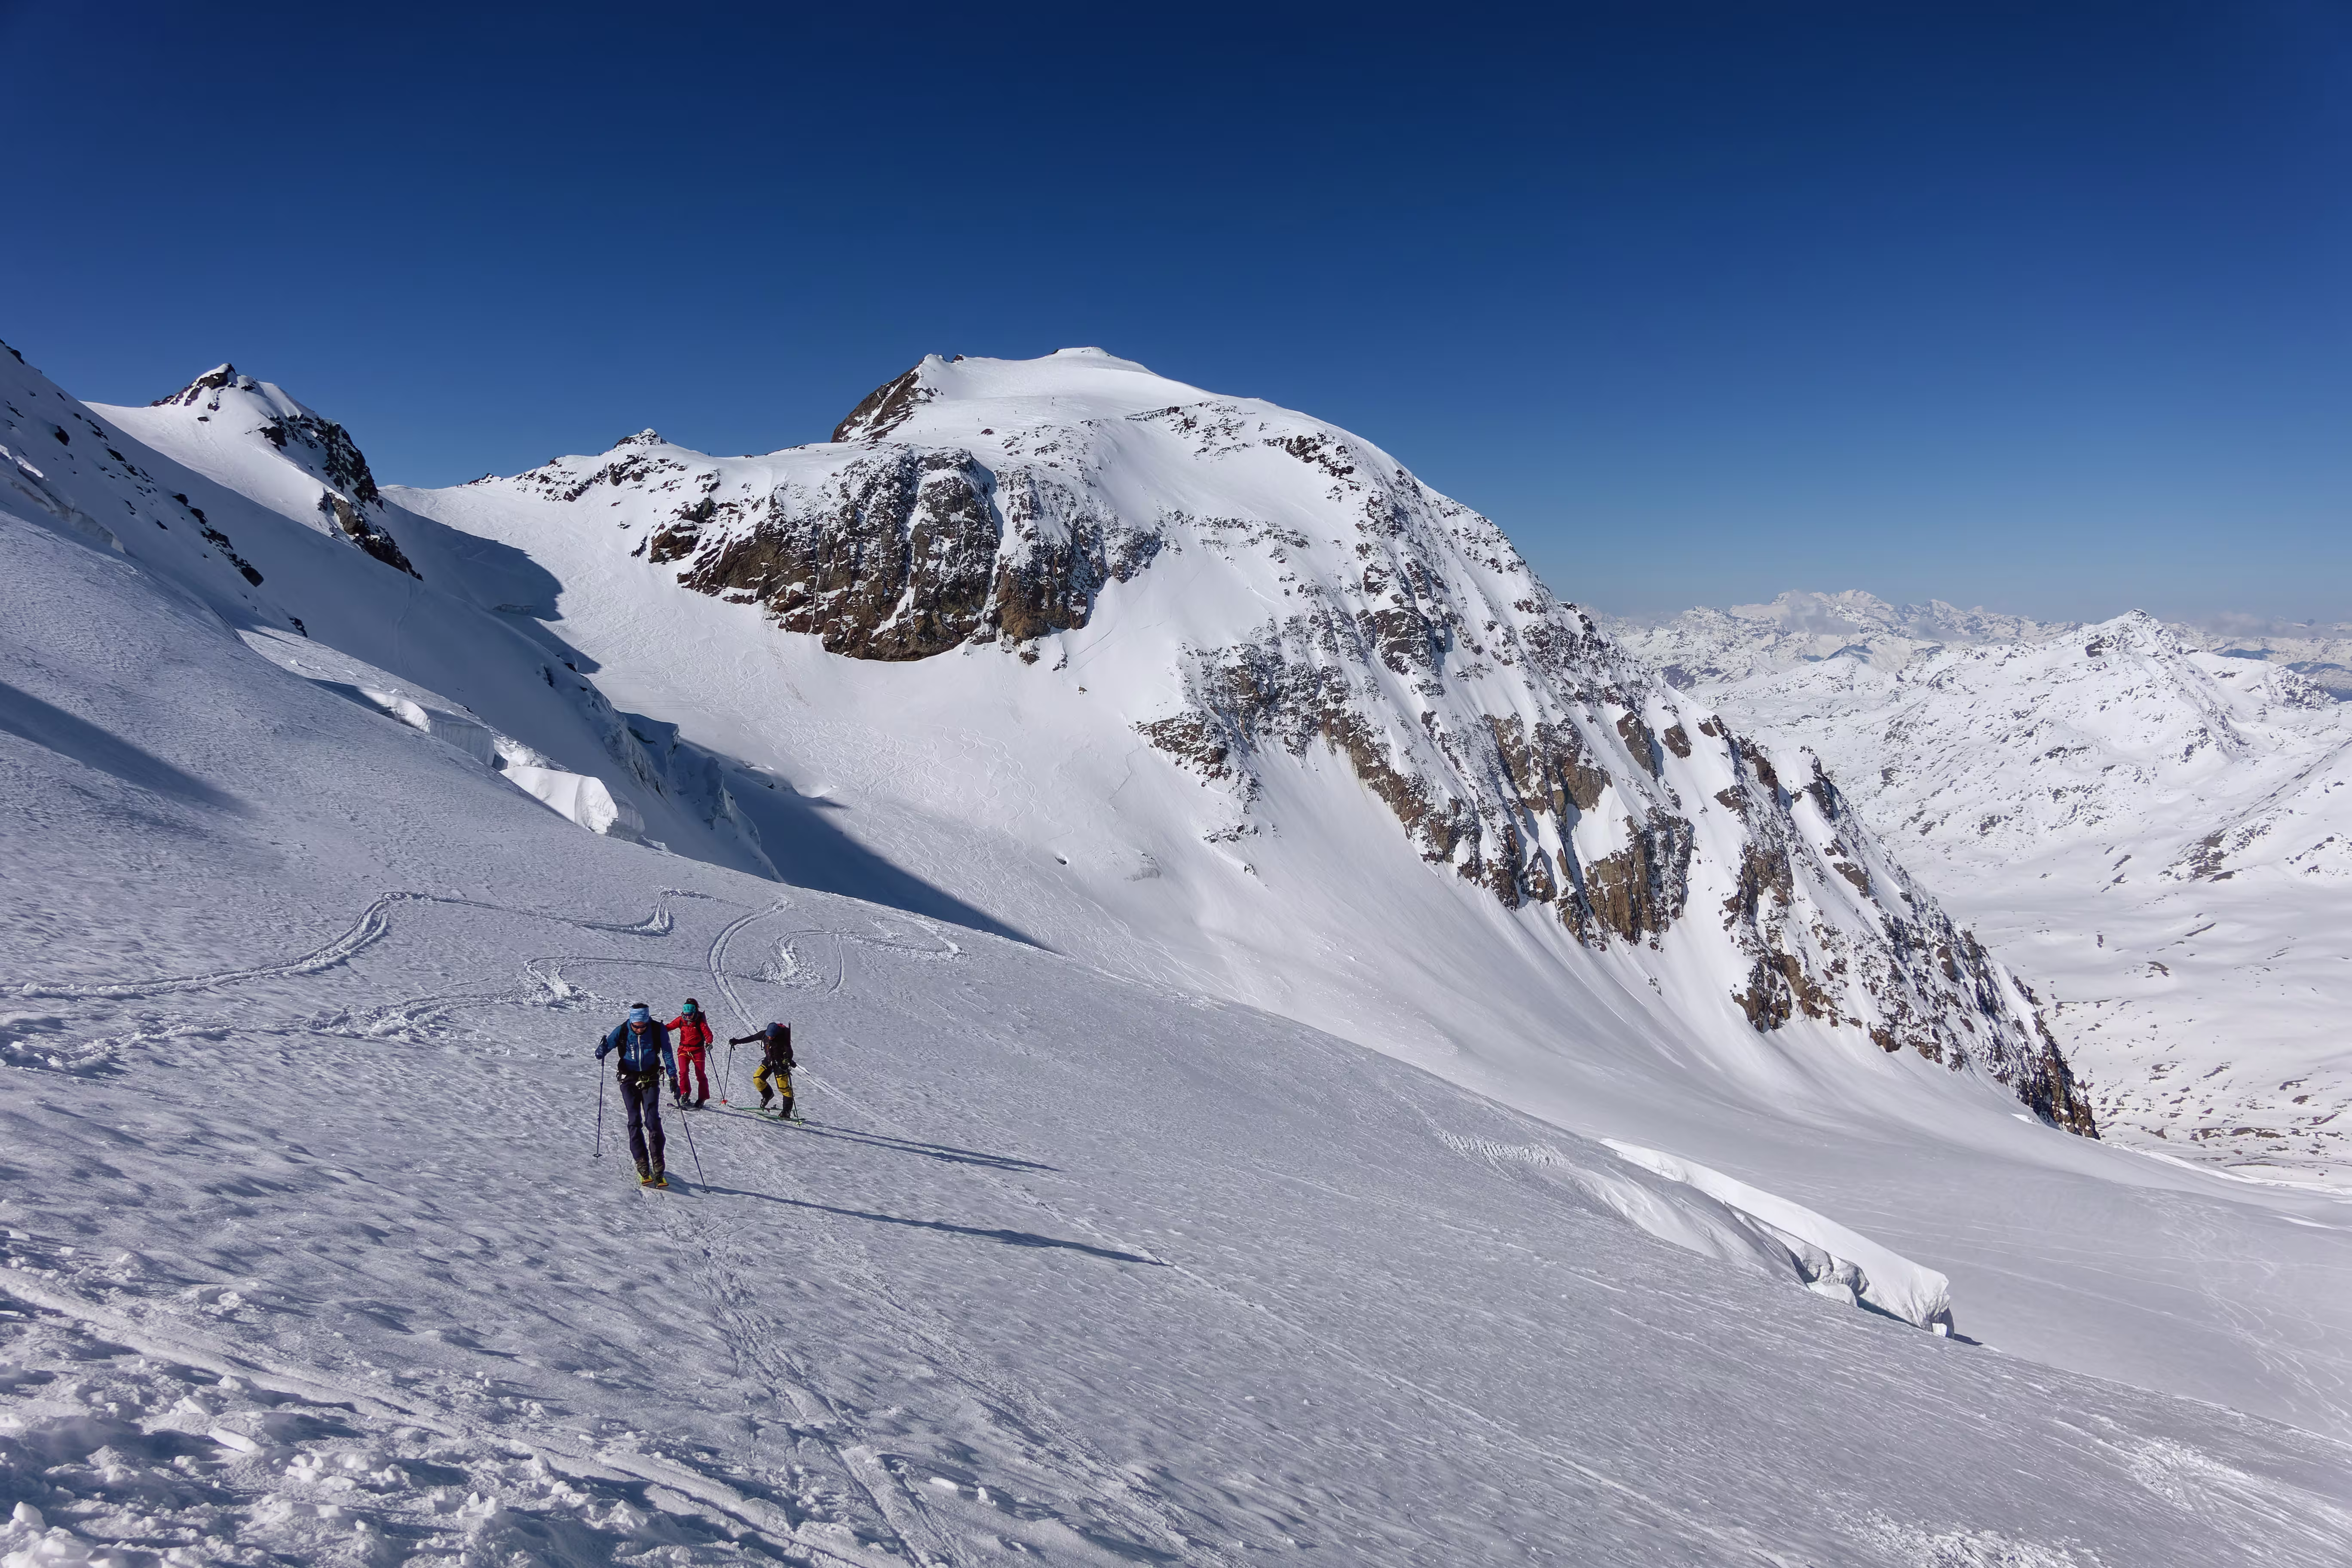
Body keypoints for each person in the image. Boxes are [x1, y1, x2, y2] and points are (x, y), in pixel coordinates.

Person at [598, 1003, 679, 1185]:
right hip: (628, 1079)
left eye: (643, 1026)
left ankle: (658, 1162)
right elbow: (607, 1046)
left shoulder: (657, 1029)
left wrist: (673, 1076)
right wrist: (601, 1050)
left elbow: (667, 1053)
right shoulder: (622, 1030)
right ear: (631, 1022)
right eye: (637, 1026)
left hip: (650, 1078)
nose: (640, 1029)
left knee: (652, 1121)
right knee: (634, 1120)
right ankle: (641, 1161)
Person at [727, 1021, 796, 1120]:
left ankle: (787, 1111)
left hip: (781, 1064)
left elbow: (789, 1051)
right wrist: (737, 1041)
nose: (770, 1038)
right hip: (769, 1061)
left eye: (772, 1037)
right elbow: (752, 1038)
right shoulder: (764, 1034)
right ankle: (768, 1095)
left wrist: (788, 1059)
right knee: (758, 1079)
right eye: (769, 1036)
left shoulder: (783, 1037)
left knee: (784, 1088)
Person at [667, 998, 715, 1108]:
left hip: (698, 1051)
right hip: (683, 1050)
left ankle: (702, 1098)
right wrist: (659, 1029)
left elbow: (708, 1034)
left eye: (690, 1015)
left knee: (700, 1074)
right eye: (686, 1014)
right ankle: (685, 1093)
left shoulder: (700, 1021)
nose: (688, 1017)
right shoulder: (681, 1020)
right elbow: (670, 1026)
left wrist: (709, 1042)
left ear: (695, 1012)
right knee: (683, 1072)